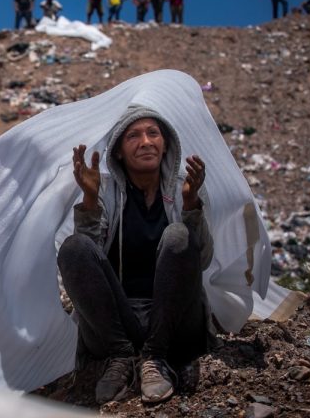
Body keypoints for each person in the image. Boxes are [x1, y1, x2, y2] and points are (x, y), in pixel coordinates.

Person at [58, 105, 213, 405]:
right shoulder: (105, 190)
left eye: (153, 133)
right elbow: (87, 260)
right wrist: (90, 201)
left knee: (179, 235)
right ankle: (122, 358)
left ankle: (156, 358)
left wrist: (192, 206)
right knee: (73, 247)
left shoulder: (186, 186)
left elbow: (203, 259)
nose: (145, 142)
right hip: (118, 323)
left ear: (165, 143)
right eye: (133, 136)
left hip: (175, 322)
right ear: (117, 152)